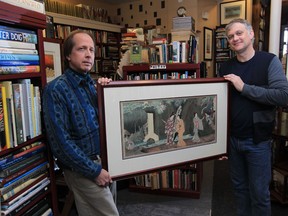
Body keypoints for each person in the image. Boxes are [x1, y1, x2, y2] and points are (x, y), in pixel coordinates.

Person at [42, 30, 119, 216]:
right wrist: (93, 171)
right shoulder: (55, 90)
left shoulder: (94, 86)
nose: (88, 54)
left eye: (91, 50)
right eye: (81, 49)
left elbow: (110, 122)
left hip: (106, 162)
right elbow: (60, 143)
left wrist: (108, 93)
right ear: (68, 55)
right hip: (83, 169)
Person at [219, 18, 288, 216]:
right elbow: (222, 105)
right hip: (233, 142)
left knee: (259, 194)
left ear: (251, 34)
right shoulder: (226, 67)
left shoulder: (269, 61)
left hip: (258, 142)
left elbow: (283, 95)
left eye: (239, 33)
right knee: (240, 191)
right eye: (231, 36)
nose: (235, 38)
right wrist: (220, 143)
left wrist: (244, 88)